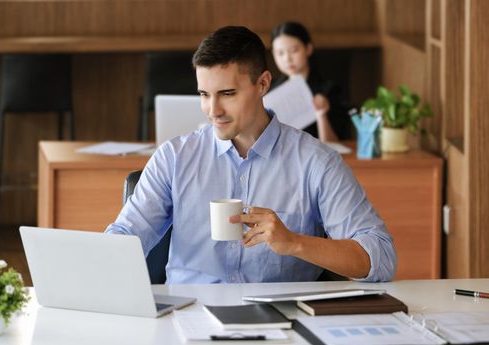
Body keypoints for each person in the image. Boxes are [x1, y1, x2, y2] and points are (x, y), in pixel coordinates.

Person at [105, 26, 396, 284]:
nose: (213, 111)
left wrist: (294, 243)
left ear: (263, 84)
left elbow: (381, 257)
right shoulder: (173, 157)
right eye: (204, 95)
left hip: (282, 323)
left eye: (227, 93)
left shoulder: (316, 162)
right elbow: (127, 233)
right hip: (189, 318)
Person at [271, 21, 351, 142]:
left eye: (294, 50)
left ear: (308, 49)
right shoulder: (270, 90)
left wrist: (321, 115)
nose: (287, 58)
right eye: (280, 53)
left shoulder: (328, 90)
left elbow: (333, 145)